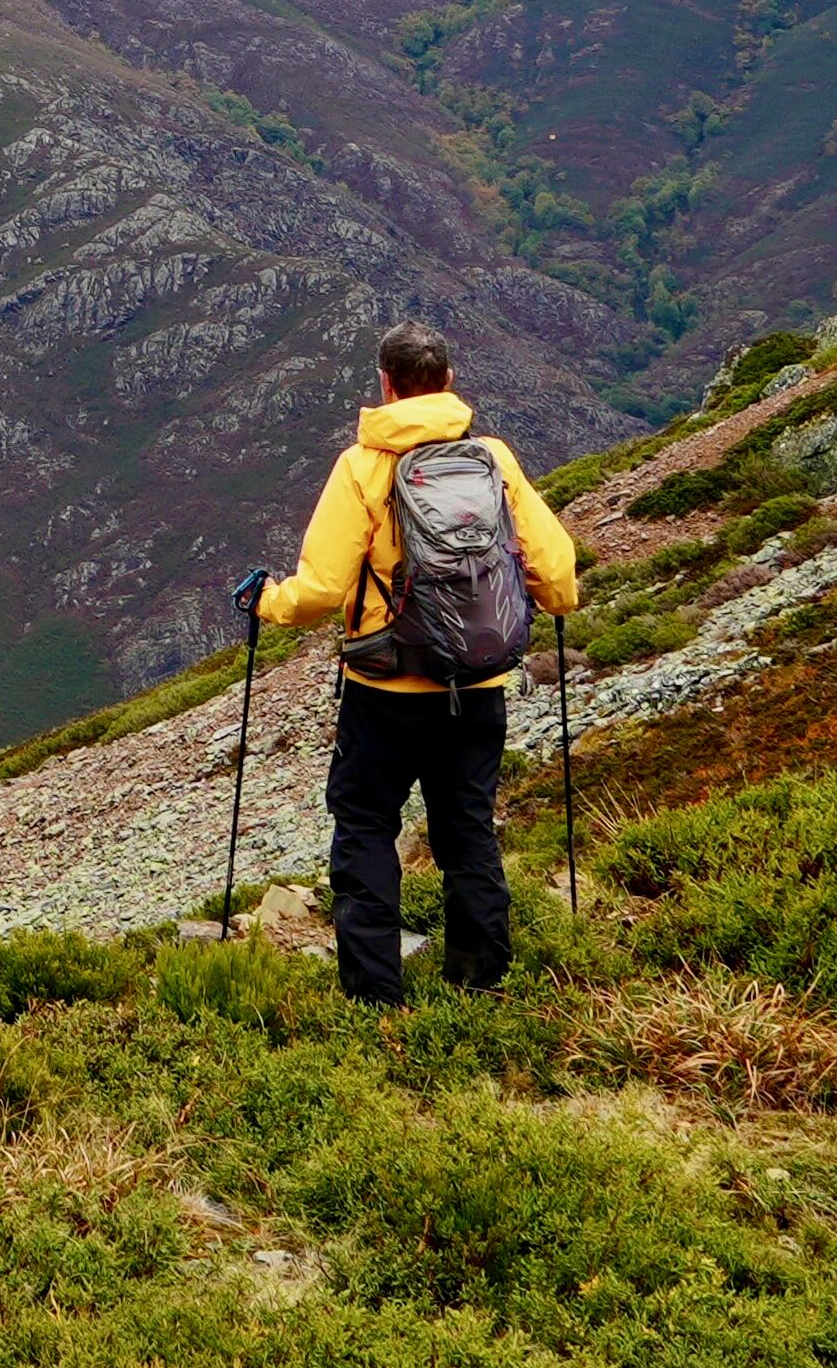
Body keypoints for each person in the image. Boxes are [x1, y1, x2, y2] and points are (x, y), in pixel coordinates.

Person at [241, 325, 582, 1005]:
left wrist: (267, 602)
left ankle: (375, 998)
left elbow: (322, 590)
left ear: (386, 384)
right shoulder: (493, 459)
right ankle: (482, 986)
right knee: (467, 830)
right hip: (477, 683)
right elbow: (558, 573)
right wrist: (552, 604)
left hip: (385, 691)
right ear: (448, 381)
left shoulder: (361, 468)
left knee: (367, 826)